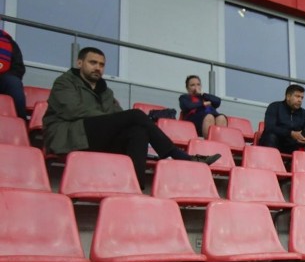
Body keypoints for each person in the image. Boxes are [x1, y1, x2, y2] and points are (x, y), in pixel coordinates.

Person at [42, 47, 220, 186]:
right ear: (79, 63)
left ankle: (135, 187)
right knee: (135, 116)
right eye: (92, 62)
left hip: (96, 138)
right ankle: (181, 156)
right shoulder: (64, 82)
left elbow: (118, 115)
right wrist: (110, 119)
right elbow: (74, 111)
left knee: (138, 130)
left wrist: (112, 120)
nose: (98, 68)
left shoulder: (105, 91)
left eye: (101, 64)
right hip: (70, 136)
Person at [259, 84, 305, 154]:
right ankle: (270, 164)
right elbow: (270, 127)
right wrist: (291, 133)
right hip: (276, 141)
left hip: (293, 145)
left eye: (302, 98)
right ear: (288, 96)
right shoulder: (274, 107)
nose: (300, 100)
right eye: (297, 96)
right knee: (271, 136)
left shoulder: (304, 113)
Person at [0, 27, 27, 119]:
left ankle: (21, 123)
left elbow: (18, 67)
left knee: (14, 83)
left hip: (2, 79)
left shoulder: (9, 41)